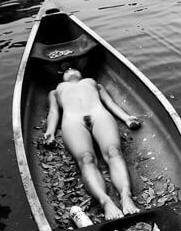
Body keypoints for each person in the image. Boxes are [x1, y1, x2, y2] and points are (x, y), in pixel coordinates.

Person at [44, 67, 141, 220]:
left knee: (114, 151)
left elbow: (110, 102)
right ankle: (106, 202)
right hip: (73, 120)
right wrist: (50, 131)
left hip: (99, 114)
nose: (70, 69)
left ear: (81, 73)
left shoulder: (93, 83)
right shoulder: (56, 91)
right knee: (86, 159)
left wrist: (126, 118)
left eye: (73, 68)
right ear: (61, 77)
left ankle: (126, 195)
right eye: (66, 70)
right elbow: (53, 112)